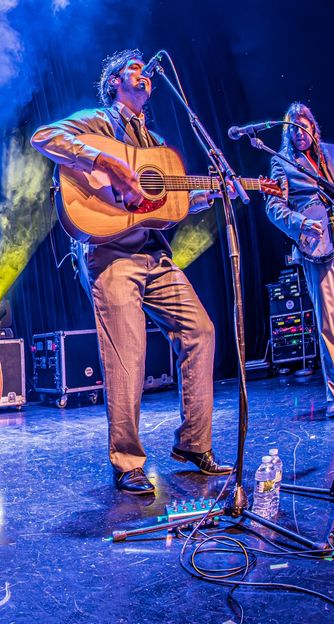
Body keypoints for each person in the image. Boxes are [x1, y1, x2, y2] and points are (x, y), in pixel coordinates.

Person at [32, 48, 230, 496]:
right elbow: (44, 137)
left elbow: (167, 205)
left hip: (155, 256)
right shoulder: (98, 123)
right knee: (128, 355)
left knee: (201, 330)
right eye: (133, 70)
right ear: (114, 83)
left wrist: (213, 194)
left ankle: (194, 444)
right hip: (110, 254)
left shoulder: (157, 146)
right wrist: (106, 163)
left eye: (146, 72)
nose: (143, 76)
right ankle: (128, 461)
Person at [264, 103, 334, 418]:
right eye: (293, 129)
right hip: (316, 247)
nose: (300, 134)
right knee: (329, 319)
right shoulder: (282, 163)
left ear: (313, 128)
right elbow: (273, 208)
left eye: (304, 128)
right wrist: (300, 222)